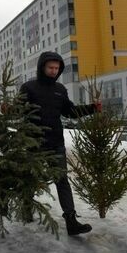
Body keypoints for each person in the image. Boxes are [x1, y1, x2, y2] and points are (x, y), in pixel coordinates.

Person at [19, 51, 100, 236]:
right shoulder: (28, 87)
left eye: (57, 68)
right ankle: (26, 210)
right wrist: (9, 109)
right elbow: (18, 111)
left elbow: (70, 112)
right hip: (33, 143)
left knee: (62, 181)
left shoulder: (60, 89)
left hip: (56, 143)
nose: (54, 71)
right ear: (42, 67)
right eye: (50, 68)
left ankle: (71, 221)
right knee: (31, 179)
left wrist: (92, 108)